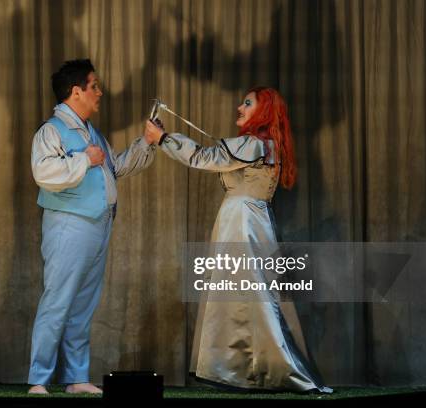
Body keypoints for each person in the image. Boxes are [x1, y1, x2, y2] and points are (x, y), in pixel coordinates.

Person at [144, 87, 332, 393]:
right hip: (246, 220)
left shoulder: (256, 144)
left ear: (264, 111)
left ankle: (263, 369)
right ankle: (244, 371)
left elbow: (205, 157)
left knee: (252, 293)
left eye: (248, 103)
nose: (240, 106)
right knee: (243, 294)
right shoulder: (263, 145)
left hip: (243, 223)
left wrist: (164, 140)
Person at [28, 59, 157, 394]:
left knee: (83, 305)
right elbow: (44, 174)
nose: (100, 92)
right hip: (69, 225)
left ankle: (76, 378)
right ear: (76, 91)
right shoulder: (52, 131)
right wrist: (85, 159)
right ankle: (38, 380)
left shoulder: (92, 133)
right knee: (58, 301)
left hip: (98, 226)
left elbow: (115, 167)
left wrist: (146, 142)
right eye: (94, 86)